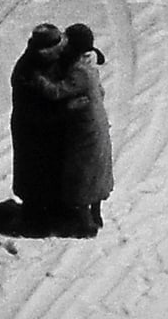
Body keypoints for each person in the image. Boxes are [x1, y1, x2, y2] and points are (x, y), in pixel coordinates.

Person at [53, 22, 114, 237]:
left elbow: (58, 92)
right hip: (96, 125)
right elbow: (100, 92)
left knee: (82, 173)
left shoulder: (79, 71)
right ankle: (95, 214)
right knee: (96, 171)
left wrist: (40, 82)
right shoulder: (89, 66)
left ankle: (85, 223)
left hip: (85, 129)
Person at [8, 22, 70, 230]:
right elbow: (35, 110)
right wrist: (65, 109)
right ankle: (35, 218)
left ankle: (50, 210)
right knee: (35, 174)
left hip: (49, 130)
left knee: (50, 173)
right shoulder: (28, 71)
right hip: (33, 131)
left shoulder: (44, 64)